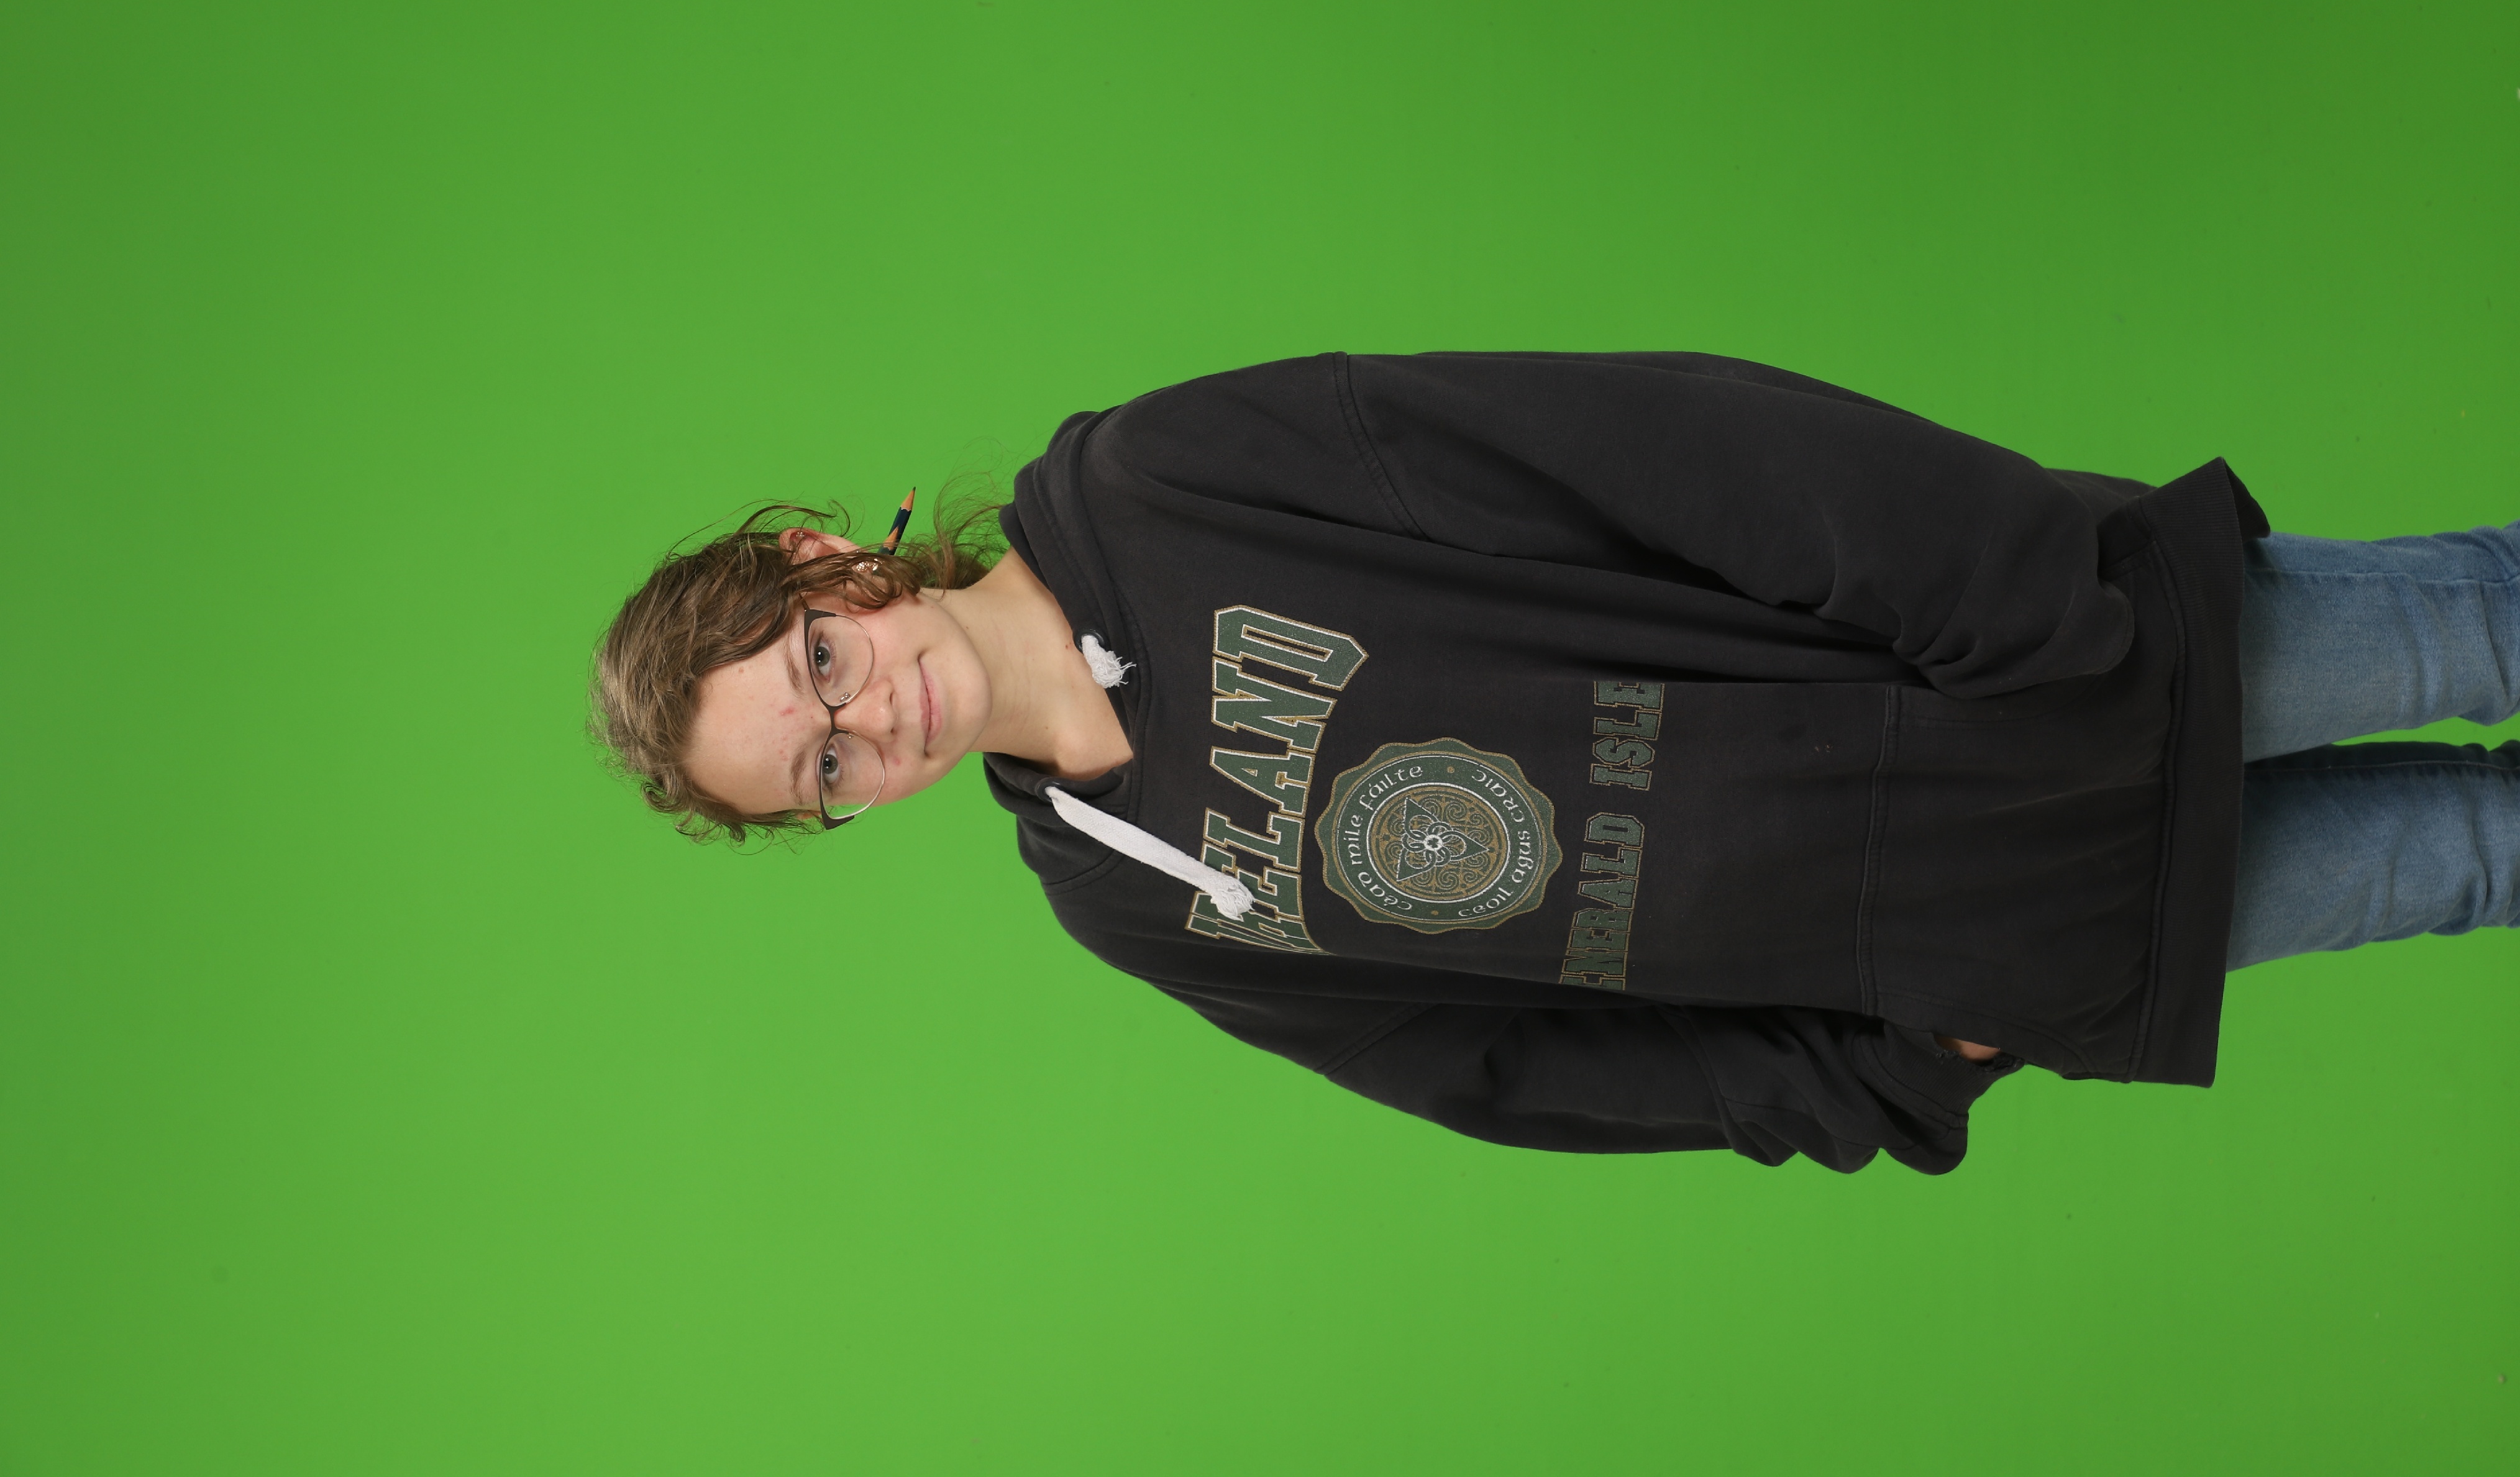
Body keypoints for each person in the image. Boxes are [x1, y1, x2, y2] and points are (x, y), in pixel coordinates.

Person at [591, 352, 2520, 1172]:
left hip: (2019, 662)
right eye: (824, 772)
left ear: (823, 563)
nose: (871, 726)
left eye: (821, 664)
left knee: (2487, 628)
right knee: (2479, 861)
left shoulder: (1156, 483)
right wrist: (1879, 1072)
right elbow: (1498, 1072)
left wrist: (2012, 594)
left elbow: (1640, 448)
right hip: (2000, 927)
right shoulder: (1116, 893)